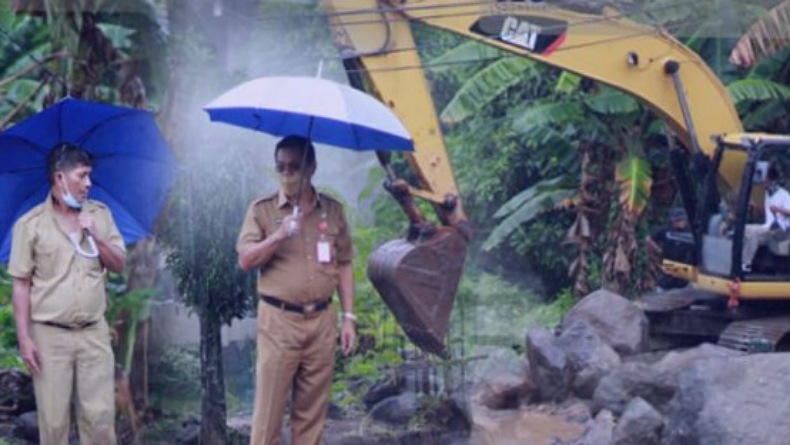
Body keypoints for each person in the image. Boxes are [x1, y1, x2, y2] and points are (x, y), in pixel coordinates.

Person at [236, 135, 356, 445]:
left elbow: (344, 263)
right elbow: (246, 260)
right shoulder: (262, 210)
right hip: (279, 321)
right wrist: (278, 235)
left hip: (321, 320)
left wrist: (349, 317)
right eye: (281, 167)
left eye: (294, 167)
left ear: (311, 168)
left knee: (312, 416)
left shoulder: (332, 211)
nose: (287, 174)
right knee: (268, 416)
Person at [9, 143, 126, 445]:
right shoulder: (30, 224)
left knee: (99, 421)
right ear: (60, 178)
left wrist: (96, 237)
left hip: (93, 334)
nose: (88, 183)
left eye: (90, 176)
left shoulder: (100, 215)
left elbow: (119, 264)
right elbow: (20, 285)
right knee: (54, 422)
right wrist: (24, 339)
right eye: (82, 176)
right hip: (49, 336)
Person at [742, 166, 790, 272]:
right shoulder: (767, 194)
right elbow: (763, 215)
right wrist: (755, 208)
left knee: (752, 233)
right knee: (745, 230)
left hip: (781, 231)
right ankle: (745, 265)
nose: (762, 183)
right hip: (768, 228)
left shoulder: (784, 195)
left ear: (770, 180)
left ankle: (745, 264)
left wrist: (778, 210)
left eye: (764, 180)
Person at [647, 207, 690, 290]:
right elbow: (648, 239)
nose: (683, 222)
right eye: (680, 220)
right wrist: (658, 250)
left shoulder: (688, 233)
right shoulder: (666, 231)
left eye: (684, 220)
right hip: (668, 266)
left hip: (683, 268)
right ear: (674, 221)